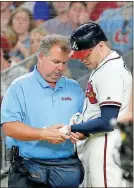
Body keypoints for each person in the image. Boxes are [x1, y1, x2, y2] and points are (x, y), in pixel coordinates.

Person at [1, 34, 85, 188]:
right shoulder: (19, 87)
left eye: (65, 63)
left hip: (67, 170)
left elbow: (84, 122)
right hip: (28, 172)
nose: (61, 67)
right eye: (56, 62)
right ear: (40, 57)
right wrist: (43, 134)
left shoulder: (74, 88)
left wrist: (81, 132)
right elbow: (9, 127)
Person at [67, 22, 132, 187]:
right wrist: (83, 130)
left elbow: (108, 121)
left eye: (86, 55)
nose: (82, 60)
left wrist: (72, 129)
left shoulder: (110, 71)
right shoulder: (104, 66)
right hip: (103, 142)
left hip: (106, 145)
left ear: (101, 46)